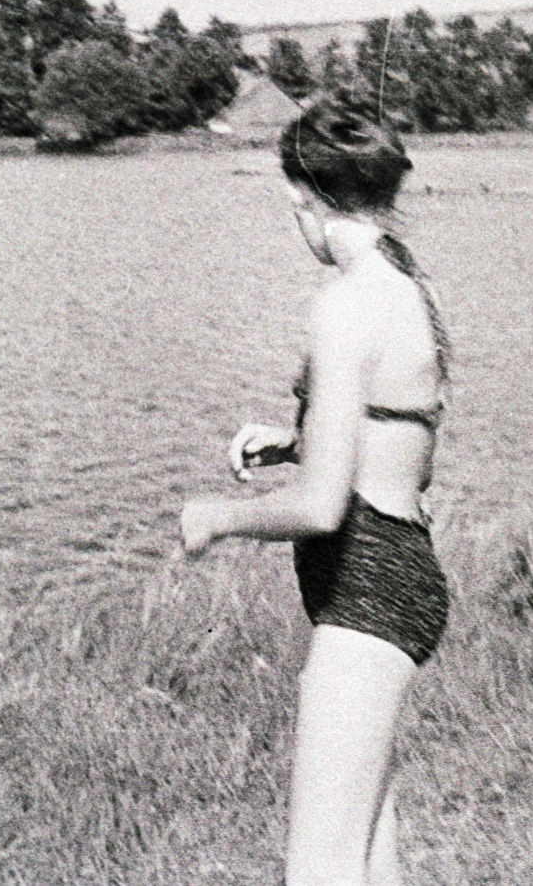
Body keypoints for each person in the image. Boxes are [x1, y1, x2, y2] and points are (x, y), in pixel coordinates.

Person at [180, 96, 451, 886]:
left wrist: (218, 518)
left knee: (318, 873)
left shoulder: (341, 304)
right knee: (367, 855)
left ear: (305, 196)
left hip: (364, 598)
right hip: (401, 580)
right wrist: (297, 438)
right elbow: (404, 451)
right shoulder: (404, 283)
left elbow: (321, 505)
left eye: (290, 201)